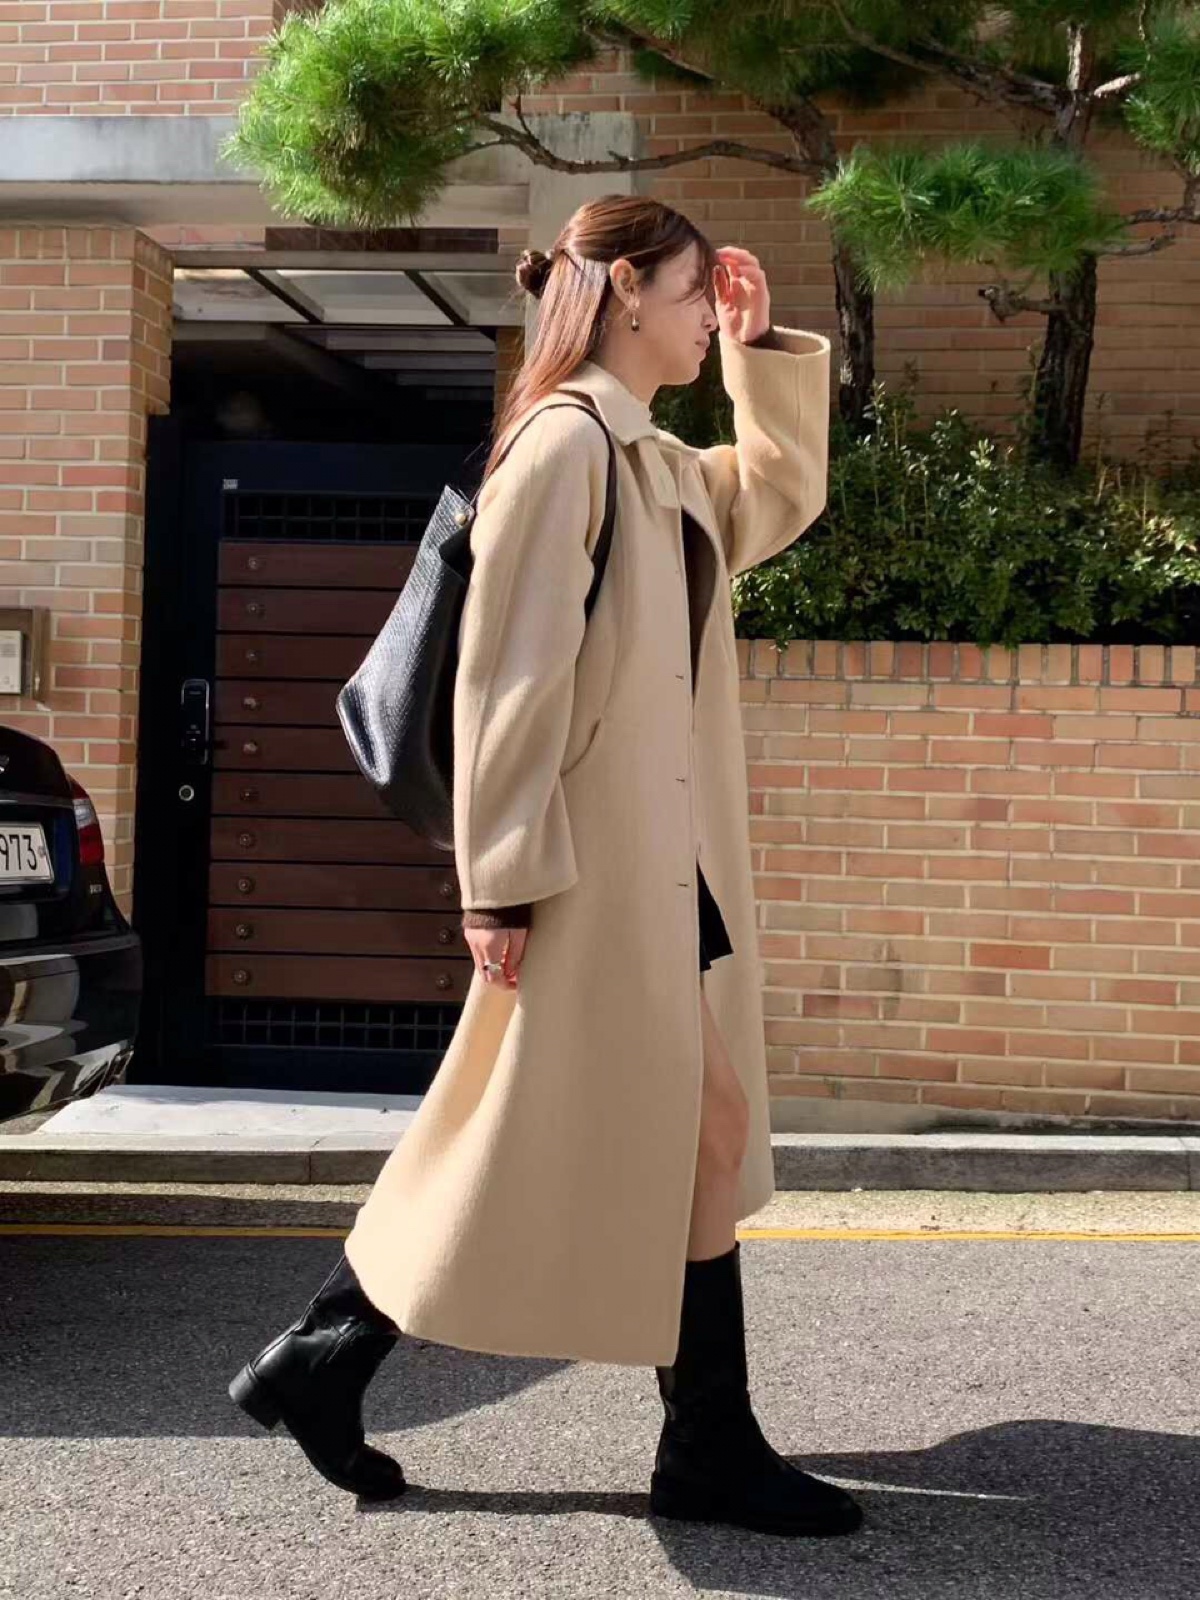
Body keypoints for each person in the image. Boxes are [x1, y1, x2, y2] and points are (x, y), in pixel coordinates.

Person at [229, 195, 863, 1540]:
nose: (701, 319)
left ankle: (336, 1366)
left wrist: (756, 352)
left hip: (656, 860)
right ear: (624, 292)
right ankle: (696, 1446)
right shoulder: (565, 446)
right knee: (554, 1130)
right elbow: (506, 678)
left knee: (668, 1129)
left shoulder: (647, 456)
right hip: (583, 869)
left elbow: (776, 498)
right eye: (691, 297)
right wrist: (499, 876)